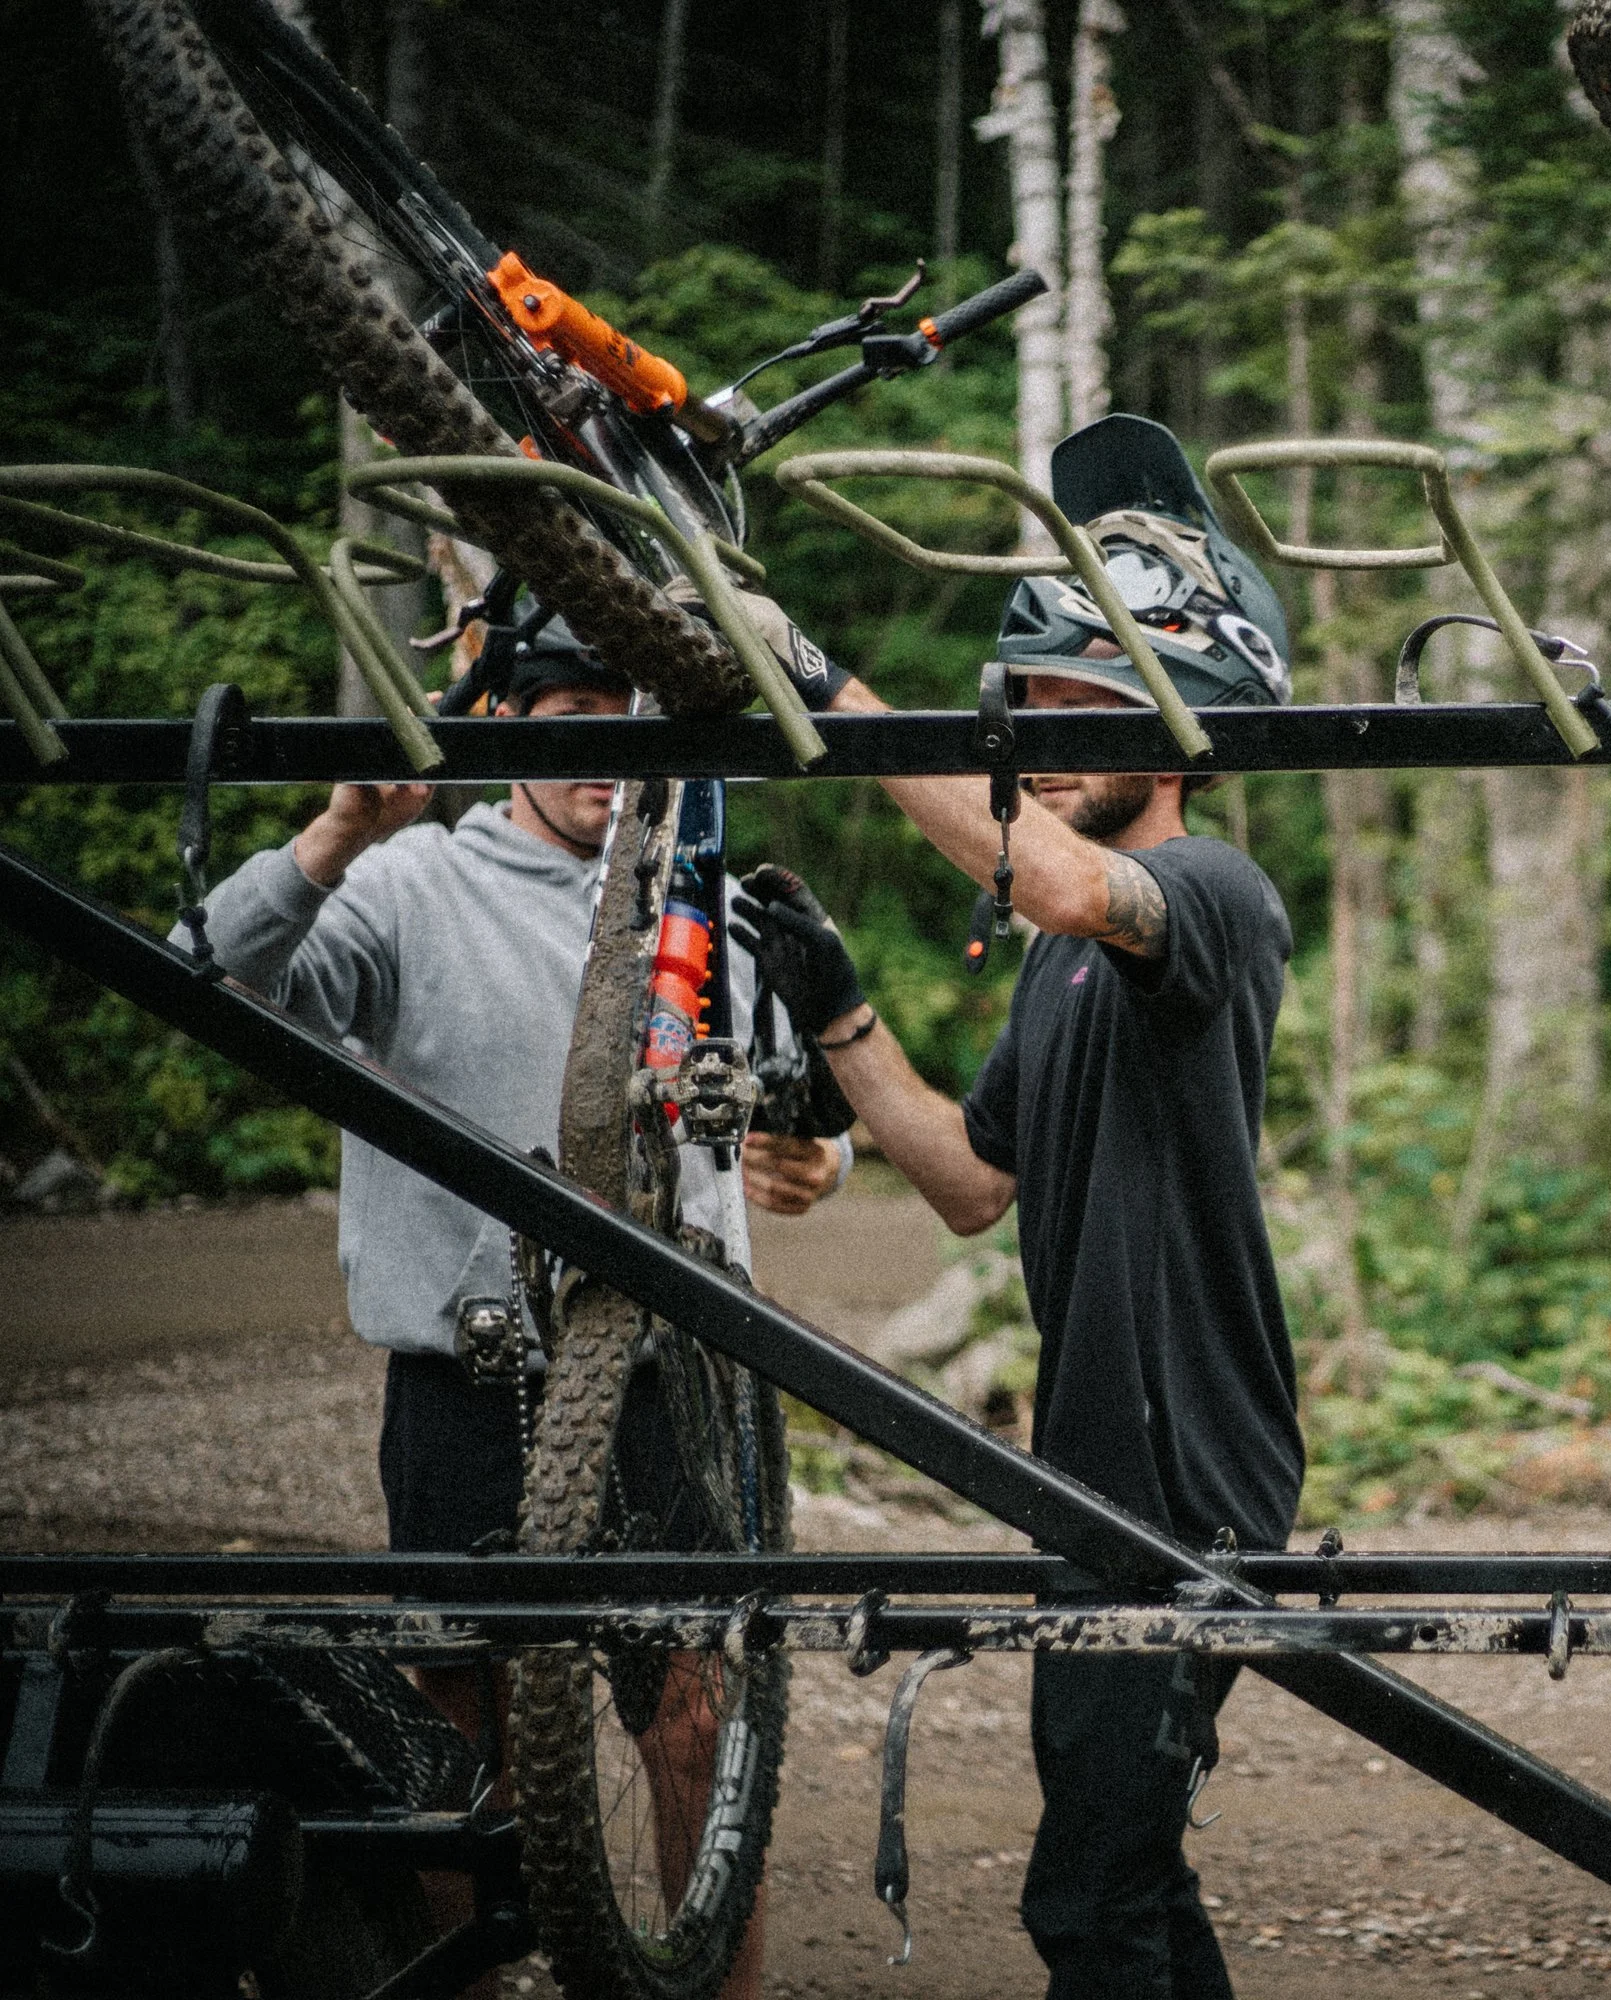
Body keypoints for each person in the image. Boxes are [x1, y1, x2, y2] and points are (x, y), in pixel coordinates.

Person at [191, 607, 844, 1998]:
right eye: (573, 724)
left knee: (693, 1712)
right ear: (510, 731)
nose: (610, 753)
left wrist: (820, 1147)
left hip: (665, 1374)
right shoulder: (413, 883)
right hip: (464, 1373)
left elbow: (791, 1116)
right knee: (454, 1721)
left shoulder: (700, 892)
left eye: (636, 721)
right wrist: (333, 838)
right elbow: (219, 975)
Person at [731, 414, 1299, 1998]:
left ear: (1188, 729)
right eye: (1032, 702)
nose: (1045, 735)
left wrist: (831, 689)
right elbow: (973, 1184)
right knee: (1128, 1874)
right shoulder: (1062, 967)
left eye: (1091, 704)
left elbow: (1054, 875)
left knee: (1090, 1895)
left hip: (1185, 1459)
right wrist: (844, 1023)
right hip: (1101, 1456)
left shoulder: (1212, 899)